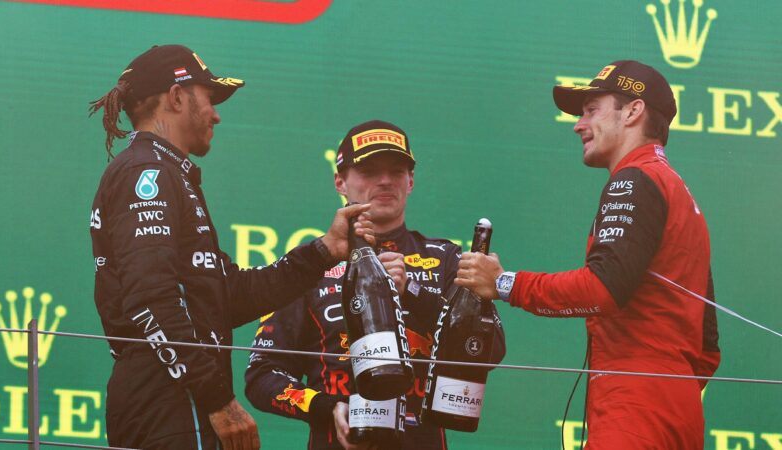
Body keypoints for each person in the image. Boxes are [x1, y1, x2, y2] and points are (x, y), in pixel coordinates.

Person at [88, 44, 375, 450]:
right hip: (169, 399)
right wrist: (217, 400)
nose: (216, 114)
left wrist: (325, 250)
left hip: (172, 396)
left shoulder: (169, 173)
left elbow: (228, 296)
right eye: (209, 99)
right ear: (176, 96)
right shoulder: (146, 173)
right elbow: (150, 299)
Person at [454, 60, 720, 449]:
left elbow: (603, 289)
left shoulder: (636, 178)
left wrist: (504, 283)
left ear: (633, 111)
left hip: (632, 406)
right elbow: (708, 344)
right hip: (677, 410)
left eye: (592, 110)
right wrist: (665, 389)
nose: (579, 125)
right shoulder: (677, 192)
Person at [244, 120, 506, 450]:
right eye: (368, 170)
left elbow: (490, 351)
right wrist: (327, 408)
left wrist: (411, 292)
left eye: (397, 170)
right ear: (340, 181)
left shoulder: (446, 260)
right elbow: (261, 376)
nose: (385, 180)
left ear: (410, 181)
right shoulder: (310, 266)